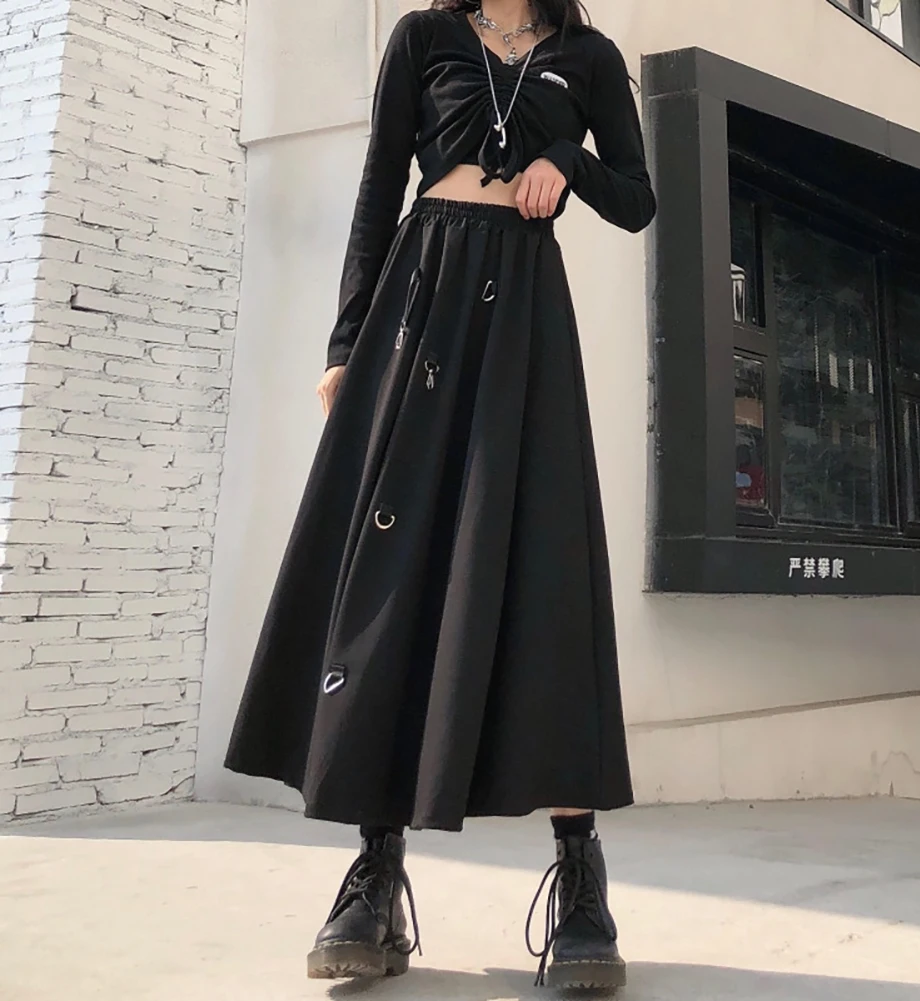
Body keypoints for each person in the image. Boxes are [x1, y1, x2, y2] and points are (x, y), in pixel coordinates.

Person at [224, 0, 656, 990]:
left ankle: (578, 880)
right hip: (419, 304)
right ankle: (375, 874)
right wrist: (346, 344)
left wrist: (568, 163)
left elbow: (636, 199)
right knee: (397, 564)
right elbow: (380, 187)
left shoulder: (589, 57)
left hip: (524, 320)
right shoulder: (423, 39)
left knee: (544, 569)